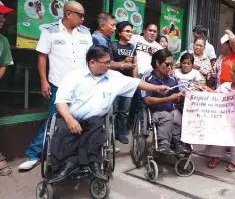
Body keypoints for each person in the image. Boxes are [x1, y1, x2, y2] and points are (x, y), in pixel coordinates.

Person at [49, 45, 170, 181]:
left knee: (96, 127)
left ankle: (94, 164)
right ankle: (68, 165)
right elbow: (60, 101)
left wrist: (157, 88)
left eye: (109, 61)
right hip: (71, 118)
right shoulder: (74, 76)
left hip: (95, 121)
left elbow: (136, 83)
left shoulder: (113, 77)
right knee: (63, 132)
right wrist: (69, 119)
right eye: (105, 62)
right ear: (92, 62)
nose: (109, 65)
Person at [18, 1, 93, 171]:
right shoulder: (50, 31)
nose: (83, 19)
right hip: (59, 85)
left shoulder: (85, 33)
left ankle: (77, 155)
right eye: (80, 15)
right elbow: (42, 57)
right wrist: (44, 81)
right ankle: (33, 154)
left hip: (82, 85)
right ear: (68, 14)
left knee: (83, 118)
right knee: (55, 120)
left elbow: (91, 60)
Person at [202, 60, 235, 172]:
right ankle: (216, 156)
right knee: (218, 136)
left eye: (234, 71)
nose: (231, 73)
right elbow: (216, 95)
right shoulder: (225, 86)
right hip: (223, 119)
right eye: (232, 70)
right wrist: (208, 91)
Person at [141, 49, 188, 154]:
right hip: (155, 112)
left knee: (176, 114)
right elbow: (147, 101)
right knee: (167, 115)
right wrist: (169, 99)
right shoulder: (147, 79)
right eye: (167, 64)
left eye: (171, 65)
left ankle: (177, 142)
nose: (169, 68)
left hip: (171, 110)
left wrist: (182, 96)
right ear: (157, 63)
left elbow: (177, 96)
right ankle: (164, 143)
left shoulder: (172, 79)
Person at [111, 21, 138, 144]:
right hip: (114, 82)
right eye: (127, 31)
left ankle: (121, 133)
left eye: (131, 31)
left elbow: (135, 65)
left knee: (125, 111)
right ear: (118, 32)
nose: (130, 33)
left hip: (127, 83)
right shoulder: (113, 45)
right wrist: (123, 62)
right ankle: (111, 133)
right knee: (114, 110)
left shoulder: (132, 47)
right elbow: (109, 65)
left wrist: (135, 80)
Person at [0, 1, 15, 176]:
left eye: (4, 15)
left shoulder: (3, 40)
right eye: (0, 15)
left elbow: (4, 63)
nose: (3, 19)